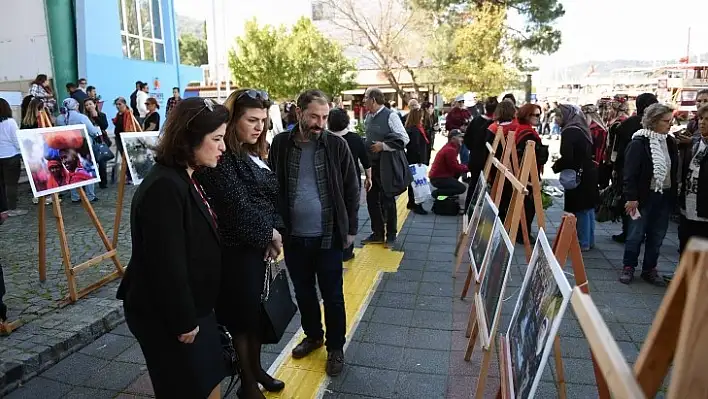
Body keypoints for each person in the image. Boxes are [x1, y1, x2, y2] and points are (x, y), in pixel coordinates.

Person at [116, 97, 228, 399]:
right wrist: (184, 320)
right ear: (189, 139)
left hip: (193, 308)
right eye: (216, 139)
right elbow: (167, 263)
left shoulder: (186, 176)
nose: (223, 147)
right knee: (186, 388)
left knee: (207, 382)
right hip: (170, 315)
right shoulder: (165, 186)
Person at [196, 89, 285, 399]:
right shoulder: (222, 157)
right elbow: (234, 207)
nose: (259, 126)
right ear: (233, 120)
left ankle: (256, 370)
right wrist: (270, 234)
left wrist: (273, 229)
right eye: (252, 119)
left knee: (256, 317)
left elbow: (270, 196)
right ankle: (247, 384)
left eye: (263, 119)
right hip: (235, 253)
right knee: (242, 322)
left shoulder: (252, 152)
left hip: (256, 249)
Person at [269, 89, 360, 377]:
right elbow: (273, 187)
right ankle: (313, 335)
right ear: (298, 113)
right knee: (304, 292)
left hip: (329, 236)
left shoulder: (336, 145)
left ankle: (335, 348)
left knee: (333, 296)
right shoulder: (282, 144)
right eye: (314, 116)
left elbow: (351, 189)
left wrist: (351, 230)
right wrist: (275, 225)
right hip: (294, 237)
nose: (320, 122)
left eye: (324, 117)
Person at [619, 103, 677, 286]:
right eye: (666, 121)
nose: (670, 125)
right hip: (644, 197)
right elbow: (629, 173)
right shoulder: (639, 143)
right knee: (635, 234)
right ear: (653, 121)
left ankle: (649, 269)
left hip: (664, 195)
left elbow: (673, 169)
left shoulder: (669, 141)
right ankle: (628, 267)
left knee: (657, 236)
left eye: (671, 121)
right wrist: (631, 198)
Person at [361, 87, 409, 247]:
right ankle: (377, 233)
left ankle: (391, 235)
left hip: (387, 165)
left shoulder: (391, 116)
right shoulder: (368, 117)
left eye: (365, 98)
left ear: (373, 100)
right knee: (371, 199)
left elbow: (404, 139)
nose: (363, 101)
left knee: (388, 200)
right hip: (372, 166)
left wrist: (384, 146)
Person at [611, 93, 658, 243]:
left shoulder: (629, 123)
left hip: (628, 166)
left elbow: (619, 148)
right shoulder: (655, 124)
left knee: (629, 198)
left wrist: (616, 168)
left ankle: (629, 231)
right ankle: (637, 231)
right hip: (649, 168)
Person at [551, 105, 599, 251]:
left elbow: (568, 157)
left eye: (558, 116)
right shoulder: (580, 128)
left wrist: (556, 167)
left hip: (578, 174)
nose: (556, 119)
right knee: (588, 208)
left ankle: (582, 242)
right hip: (588, 172)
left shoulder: (569, 131)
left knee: (580, 208)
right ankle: (589, 240)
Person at [328, 107, 372, 261]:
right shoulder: (355, 138)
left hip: (330, 184)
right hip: (351, 183)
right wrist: (369, 178)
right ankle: (348, 250)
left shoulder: (324, 139)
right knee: (351, 212)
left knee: (332, 215)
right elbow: (366, 161)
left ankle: (332, 248)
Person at [56, 98, 100, 202]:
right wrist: (97, 130)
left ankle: (75, 196)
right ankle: (90, 196)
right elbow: (93, 131)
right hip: (83, 147)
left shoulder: (59, 119)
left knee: (72, 171)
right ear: (75, 106)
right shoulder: (81, 117)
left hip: (67, 148)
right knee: (87, 170)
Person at [678, 104, 708, 255]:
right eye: (701, 118)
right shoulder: (694, 143)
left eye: (707, 119)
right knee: (685, 245)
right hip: (688, 204)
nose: (703, 122)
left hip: (705, 209)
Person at [463, 96, 498, 210]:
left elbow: (467, 139)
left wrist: (474, 149)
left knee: (473, 184)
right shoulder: (495, 125)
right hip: (489, 160)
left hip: (475, 157)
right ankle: (485, 211)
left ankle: (468, 208)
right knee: (490, 186)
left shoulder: (476, 120)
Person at [0, 98, 26, 217]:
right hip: (11, 156)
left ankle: (4, 208)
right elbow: (17, 140)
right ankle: (11, 208)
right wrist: (23, 151)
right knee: (11, 183)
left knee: (2, 184)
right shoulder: (10, 122)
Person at [404, 106, 430, 215]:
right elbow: (416, 146)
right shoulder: (415, 130)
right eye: (421, 117)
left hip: (412, 159)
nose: (423, 119)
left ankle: (411, 202)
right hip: (416, 161)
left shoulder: (412, 128)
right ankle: (416, 204)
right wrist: (420, 160)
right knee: (417, 183)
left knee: (412, 182)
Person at [428, 129, 468, 197]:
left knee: (457, 174)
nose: (461, 139)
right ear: (453, 139)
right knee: (462, 188)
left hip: (437, 176)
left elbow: (454, 166)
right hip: (438, 178)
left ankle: (445, 193)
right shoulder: (450, 150)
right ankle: (437, 193)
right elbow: (455, 167)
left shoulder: (450, 147)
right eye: (459, 137)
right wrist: (468, 168)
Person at [83, 98, 111, 189]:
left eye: (90, 104)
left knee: (102, 162)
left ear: (95, 104)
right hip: (90, 141)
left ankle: (103, 183)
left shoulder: (102, 115)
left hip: (101, 140)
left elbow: (104, 126)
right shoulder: (84, 117)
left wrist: (95, 117)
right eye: (86, 105)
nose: (88, 106)